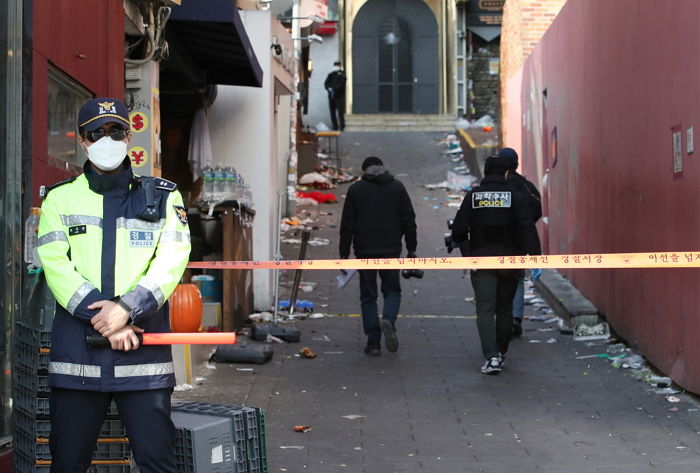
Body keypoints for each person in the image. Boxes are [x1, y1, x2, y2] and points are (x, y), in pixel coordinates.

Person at [37, 98, 191, 473]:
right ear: (83, 141)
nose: (107, 139)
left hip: (142, 358)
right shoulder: (60, 199)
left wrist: (126, 309)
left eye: (116, 131)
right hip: (78, 359)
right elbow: (55, 264)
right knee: (68, 463)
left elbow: (173, 259)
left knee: (157, 462)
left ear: (128, 134)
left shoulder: (164, 196)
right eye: (97, 133)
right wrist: (105, 317)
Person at [451, 156, 540, 375]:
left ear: (485, 171)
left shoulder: (474, 196)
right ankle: (500, 352)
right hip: (510, 260)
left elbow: (459, 228)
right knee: (504, 308)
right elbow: (527, 227)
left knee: (484, 309)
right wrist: (535, 258)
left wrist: (462, 246)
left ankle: (491, 356)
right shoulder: (516, 196)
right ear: (505, 173)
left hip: (481, 260)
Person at [339, 157, 417, 355]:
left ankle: (373, 342)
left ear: (364, 170)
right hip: (391, 249)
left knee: (368, 296)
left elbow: (347, 225)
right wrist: (411, 248)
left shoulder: (355, 190)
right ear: (383, 168)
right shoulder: (397, 188)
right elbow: (409, 219)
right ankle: (388, 320)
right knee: (392, 290)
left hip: (364, 251)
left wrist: (343, 254)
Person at [499, 147, 542, 338]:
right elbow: (537, 209)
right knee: (517, 279)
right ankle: (515, 318)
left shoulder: (492, 186)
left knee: (497, 279)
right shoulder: (526, 187)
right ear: (516, 164)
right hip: (518, 243)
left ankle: (502, 316)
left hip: (496, 243)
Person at [324, 60, 346, 131]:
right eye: (335, 65)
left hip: (339, 96)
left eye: (337, 65)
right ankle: (335, 126)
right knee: (332, 112)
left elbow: (341, 84)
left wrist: (334, 89)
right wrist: (329, 88)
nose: (336, 66)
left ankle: (342, 126)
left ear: (339, 66)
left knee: (340, 112)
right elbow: (326, 83)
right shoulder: (331, 74)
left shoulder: (342, 74)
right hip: (331, 96)